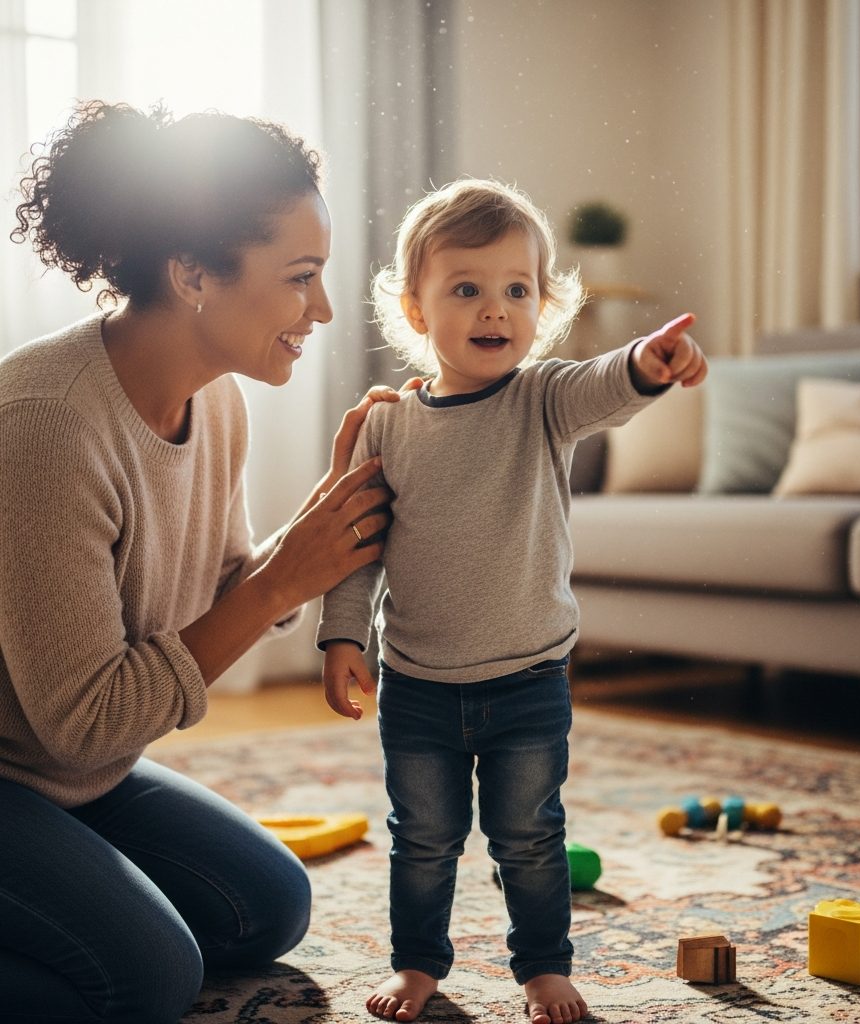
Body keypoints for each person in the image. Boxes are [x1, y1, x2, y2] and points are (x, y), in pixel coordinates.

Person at [0, 100, 407, 1024]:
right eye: (301, 277)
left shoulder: (217, 401)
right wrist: (282, 578)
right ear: (191, 275)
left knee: (269, 904)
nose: (325, 309)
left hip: (64, 779)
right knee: (144, 979)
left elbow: (231, 592)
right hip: (36, 762)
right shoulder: (46, 425)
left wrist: (324, 519)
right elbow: (84, 721)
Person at [317, 178, 708, 1024]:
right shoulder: (388, 425)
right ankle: (418, 965)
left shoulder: (542, 399)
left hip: (529, 679)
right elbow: (357, 548)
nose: (495, 310)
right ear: (416, 312)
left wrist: (647, 361)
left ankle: (541, 967)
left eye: (516, 290)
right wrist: (341, 636)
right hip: (417, 684)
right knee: (422, 841)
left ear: (542, 306)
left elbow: (607, 383)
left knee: (529, 839)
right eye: (466, 289)